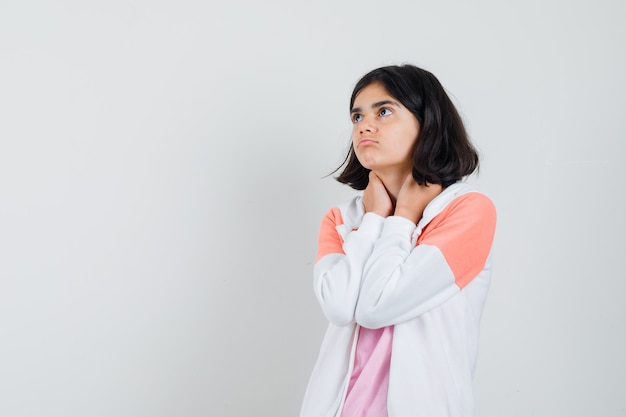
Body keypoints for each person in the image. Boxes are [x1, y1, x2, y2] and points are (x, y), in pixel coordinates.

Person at [300, 64, 497, 417]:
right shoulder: (340, 220)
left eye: (384, 111)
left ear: (428, 123)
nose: (365, 125)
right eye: (357, 116)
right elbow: (339, 308)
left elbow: (376, 308)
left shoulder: (468, 212)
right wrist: (375, 218)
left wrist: (403, 217)